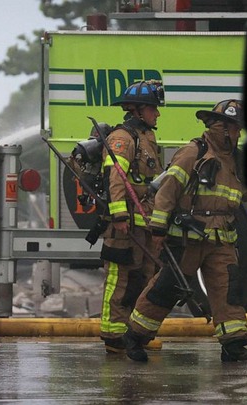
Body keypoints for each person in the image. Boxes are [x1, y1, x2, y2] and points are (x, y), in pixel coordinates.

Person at [124, 99, 247, 362]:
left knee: (228, 289)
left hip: (222, 239)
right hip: (190, 237)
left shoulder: (236, 161)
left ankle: (234, 345)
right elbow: (168, 192)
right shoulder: (192, 153)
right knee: (167, 288)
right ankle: (136, 336)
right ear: (221, 128)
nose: (239, 134)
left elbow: (245, 193)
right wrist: (159, 229)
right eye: (236, 129)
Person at [98, 80, 164, 354]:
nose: (157, 114)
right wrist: (119, 215)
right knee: (120, 278)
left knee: (143, 276)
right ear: (138, 111)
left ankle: (132, 332)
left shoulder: (146, 137)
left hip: (143, 222)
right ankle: (113, 335)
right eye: (153, 109)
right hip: (124, 224)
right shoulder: (123, 138)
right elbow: (116, 178)